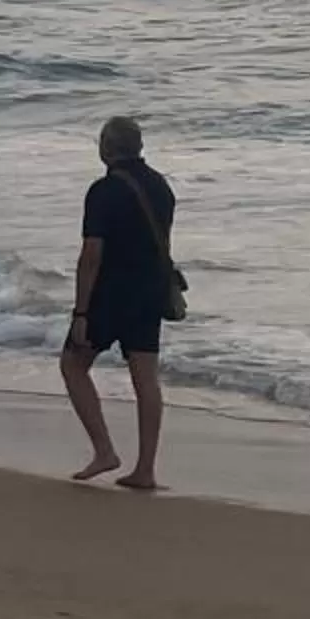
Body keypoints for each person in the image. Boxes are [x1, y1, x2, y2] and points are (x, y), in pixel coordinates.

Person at [60, 115, 174, 490]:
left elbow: (91, 254)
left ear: (106, 147)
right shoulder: (161, 186)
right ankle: (146, 469)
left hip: (111, 292)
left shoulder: (103, 190)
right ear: (138, 147)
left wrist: (81, 311)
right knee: (146, 379)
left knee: (73, 364)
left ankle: (104, 450)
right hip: (151, 291)